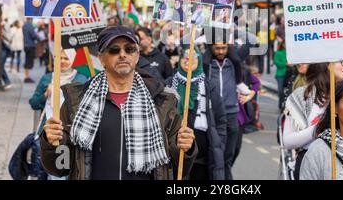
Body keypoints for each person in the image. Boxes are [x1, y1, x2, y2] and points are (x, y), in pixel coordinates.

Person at [40, 25, 197, 179]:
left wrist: (185, 148)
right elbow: (61, 167)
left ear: (137, 56)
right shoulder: (76, 102)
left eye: (129, 49)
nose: (123, 54)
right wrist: (52, 142)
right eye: (114, 50)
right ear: (101, 58)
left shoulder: (162, 102)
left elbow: (178, 170)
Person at [282, 61, 343, 179]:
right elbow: (287, 141)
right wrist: (320, 127)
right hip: (309, 165)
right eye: (342, 61)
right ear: (327, 63)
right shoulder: (301, 96)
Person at [170, 48, 227, 180]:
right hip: (177, 155)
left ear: (199, 61)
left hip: (204, 155)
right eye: (184, 56)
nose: (188, 60)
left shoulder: (208, 86)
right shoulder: (170, 85)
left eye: (193, 57)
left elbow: (221, 119)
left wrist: (219, 143)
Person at [203, 31, 244, 180]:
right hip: (213, 114)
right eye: (217, 48)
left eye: (224, 48)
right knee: (214, 153)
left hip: (232, 114)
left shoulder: (234, 62)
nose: (220, 51)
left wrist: (233, 28)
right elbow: (185, 42)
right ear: (211, 47)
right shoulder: (205, 63)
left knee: (231, 153)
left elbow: (252, 40)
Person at [29, 49, 87, 141]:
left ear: (72, 60)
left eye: (66, 58)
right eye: (59, 58)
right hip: (48, 131)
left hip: (72, 130)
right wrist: (46, 94)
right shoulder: (47, 78)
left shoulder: (82, 79)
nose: (62, 61)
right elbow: (34, 103)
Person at [23, 18, 38, 83]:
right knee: (29, 61)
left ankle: (26, 76)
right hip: (30, 45)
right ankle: (27, 77)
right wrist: (38, 37)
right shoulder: (30, 25)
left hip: (26, 45)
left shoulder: (24, 25)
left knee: (27, 60)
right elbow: (33, 35)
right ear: (31, 19)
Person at [274, 41, 287, 110]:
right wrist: (286, 64)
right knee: (280, 91)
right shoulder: (278, 53)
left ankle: (286, 105)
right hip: (280, 74)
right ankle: (281, 103)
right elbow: (277, 62)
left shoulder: (290, 53)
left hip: (290, 74)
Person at [1, 18, 12, 89]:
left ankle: (7, 81)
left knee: (0, 65)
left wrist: (1, 30)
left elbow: (9, 38)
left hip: (4, 48)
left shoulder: (5, 25)